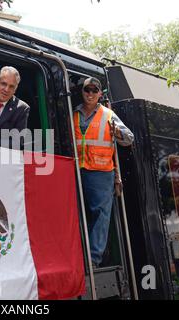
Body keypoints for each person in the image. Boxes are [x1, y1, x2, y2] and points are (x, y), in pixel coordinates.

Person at [73, 77, 134, 268]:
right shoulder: (73, 113)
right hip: (76, 169)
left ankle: (92, 259)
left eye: (94, 90)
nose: (90, 94)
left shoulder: (109, 115)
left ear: (100, 93)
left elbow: (129, 138)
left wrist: (118, 133)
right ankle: (78, 255)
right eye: (87, 90)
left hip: (100, 173)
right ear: (82, 92)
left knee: (100, 215)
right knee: (77, 213)